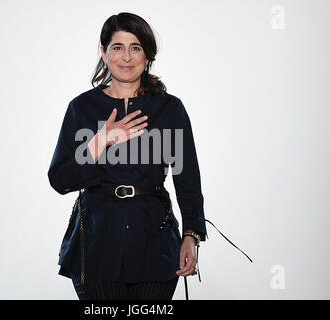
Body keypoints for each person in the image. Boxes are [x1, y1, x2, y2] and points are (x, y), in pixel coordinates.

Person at [48, 12, 251, 300]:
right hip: (95, 244)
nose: (126, 57)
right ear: (103, 53)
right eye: (117, 47)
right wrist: (101, 141)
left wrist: (191, 236)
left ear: (147, 55)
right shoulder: (81, 108)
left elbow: (187, 178)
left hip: (155, 242)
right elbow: (60, 180)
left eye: (136, 48)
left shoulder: (169, 108)